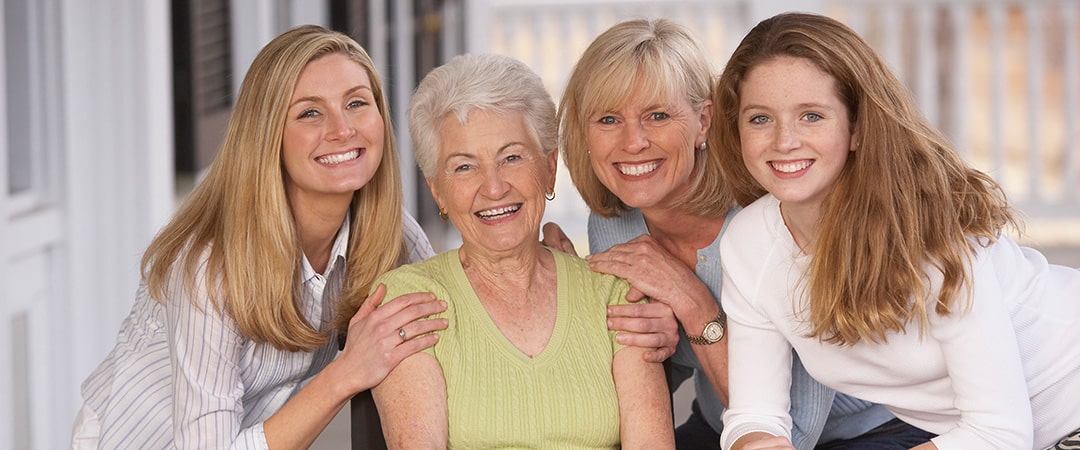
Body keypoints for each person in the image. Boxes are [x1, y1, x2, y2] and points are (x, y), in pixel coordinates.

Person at [547, 18, 929, 449]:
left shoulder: (773, 216)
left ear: (703, 121)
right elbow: (640, 389)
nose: (633, 142)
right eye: (608, 119)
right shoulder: (614, 224)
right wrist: (575, 312)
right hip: (723, 427)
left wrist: (693, 304)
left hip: (873, 431)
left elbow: (792, 433)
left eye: (658, 115)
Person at [713, 12, 1080, 450]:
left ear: (856, 129)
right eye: (760, 119)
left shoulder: (927, 234)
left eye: (811, 116)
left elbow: (1000, 433)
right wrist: (759, 443)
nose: (784, 141)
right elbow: (755, 414)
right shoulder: (748, 246)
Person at [72, 25, 448, 449]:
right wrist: (346, 373)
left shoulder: (386, 231)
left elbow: (451, 311)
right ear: (268, 135)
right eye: (310, 113)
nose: (343, 129)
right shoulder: (210, 266)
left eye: (357, 103)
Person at [370, 53, 674, 449]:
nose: (494, 187)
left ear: (549, 169)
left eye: (511, 157)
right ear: (437, 191)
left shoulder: (614, 293)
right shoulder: (410, 300)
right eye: (464, 167)